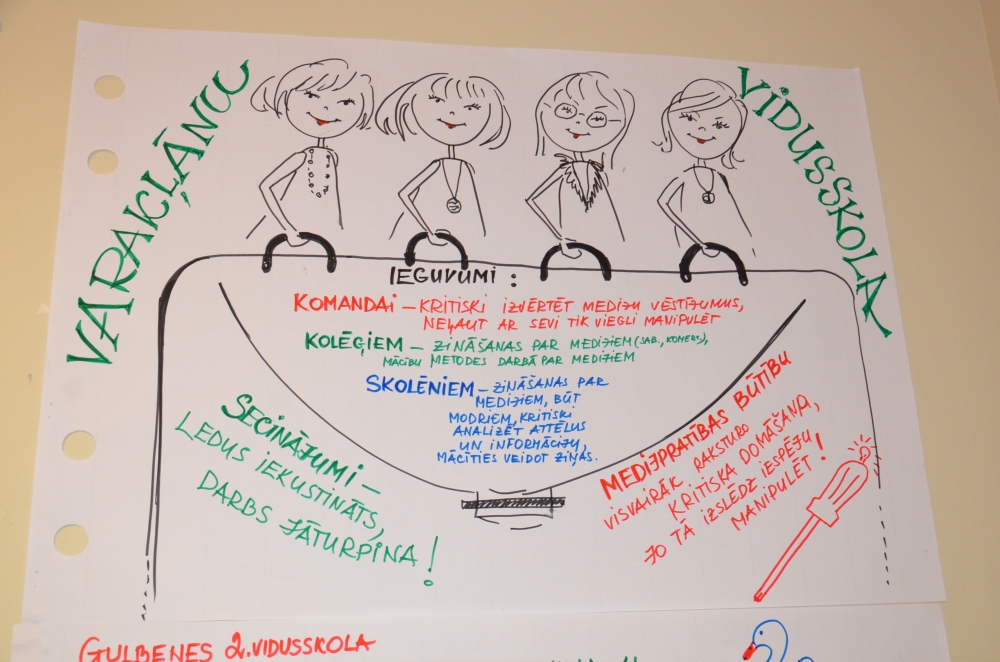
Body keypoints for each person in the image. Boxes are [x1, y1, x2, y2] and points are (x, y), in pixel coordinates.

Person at [376, 74, 510, 247]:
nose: (453, 113)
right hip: (426, 243)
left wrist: (480, 239)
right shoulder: (437, 166)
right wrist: (430, 232)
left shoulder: (466, 168)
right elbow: (404, 194)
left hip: (462, 245)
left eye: (471, 108)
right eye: (437, 101)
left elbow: (474, 212)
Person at [250, 59, 374, 245]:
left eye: (346, 102)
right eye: (310, 95)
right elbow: (266, 186)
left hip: (329, 231)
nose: (326, 109)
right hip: (298, 230)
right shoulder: (302, 157)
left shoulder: (332, 156)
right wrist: (289, 229)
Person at [526, 72, 634, 258]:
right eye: (567, 110)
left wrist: (618, 241)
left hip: (603, 244)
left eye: (597, 118)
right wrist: (560, 237)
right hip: (573, 242)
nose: (579, 122)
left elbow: (608, 213)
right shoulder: (566, 170)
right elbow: (533, 200)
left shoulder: (596, 171)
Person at [656, 79, 755, 260]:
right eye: (690, 118)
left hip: (725, 249)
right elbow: (663, 202)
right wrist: (698, 241)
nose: (702, 129)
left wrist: (747, 246)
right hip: (690, 247)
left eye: (719, 125)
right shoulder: (686, 176)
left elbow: (732, 216)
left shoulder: (719, 177)